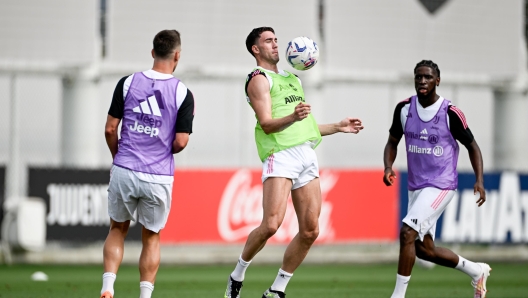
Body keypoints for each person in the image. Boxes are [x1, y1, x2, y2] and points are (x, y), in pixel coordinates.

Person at [224, 27, 364, 298]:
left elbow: (306, 127)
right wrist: (292, 117)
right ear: (256, 49)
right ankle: (237, 275)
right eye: (268, 41)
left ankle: (277, 289)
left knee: (311, 230)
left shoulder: (294, 79)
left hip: (306, 155)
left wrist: (338, 126)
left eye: (276, 40)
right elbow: (266, 124)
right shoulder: (259, 79)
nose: (275, 45)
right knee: (271, 225)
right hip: (281, 154)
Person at [383, 60, 491, 298]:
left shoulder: (450, 113)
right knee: (424, 250)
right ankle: (476, 271)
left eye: (428, 77)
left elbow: (473, 146)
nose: (422, 81)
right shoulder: (404, 109)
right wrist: (388, 166)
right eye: (418, 77)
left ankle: (397, 296)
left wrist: (479, 180)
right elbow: (392, 141)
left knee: (406, 232)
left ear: (437, 81)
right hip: (416, 187)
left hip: (441, 185)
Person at [101, 29, 195, 298]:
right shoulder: (182, 93)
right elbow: (180, 142)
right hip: (158, 175)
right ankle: (144, 296)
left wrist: (118, 156)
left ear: (153, 52)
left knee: (117, 228)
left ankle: (108, 287)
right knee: (151, 236)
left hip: (125, 168)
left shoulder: (128, 82)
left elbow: (110, 129)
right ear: (177, 55)